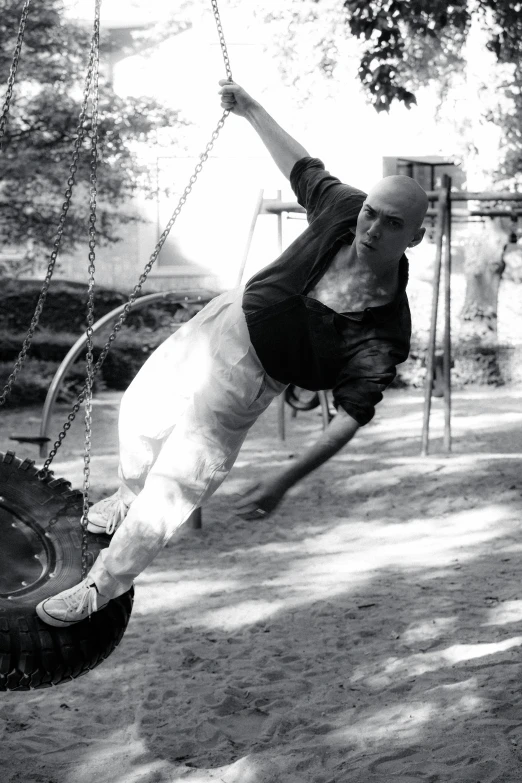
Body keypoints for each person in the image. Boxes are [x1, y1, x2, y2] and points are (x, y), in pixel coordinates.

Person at [36, 80, 428, 627]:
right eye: (373, 212)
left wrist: (285, 480)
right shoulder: (343, 208)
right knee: (137, 417)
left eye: (392, 223)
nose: (373, 227)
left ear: (415, 236)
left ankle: (100, 588)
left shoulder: (385, 326)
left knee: (174, 488)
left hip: (248, 381)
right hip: (219, 321)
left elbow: (351, 416)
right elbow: (302, 166)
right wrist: (251, 110)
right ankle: (126, 492)